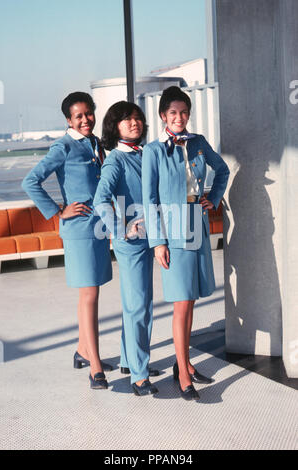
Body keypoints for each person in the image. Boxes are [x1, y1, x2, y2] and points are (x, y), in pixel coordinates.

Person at [142, 86, 230, 401]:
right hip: (172, 235)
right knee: (180, 305)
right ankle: (182, 373)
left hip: (197, 230)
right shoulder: (153, 151)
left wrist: (214, 198)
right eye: (173, 112)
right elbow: (149, 199)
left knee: (190, 301)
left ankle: (187, 363)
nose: (179, 117)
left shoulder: (199, 143)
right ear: (163, 116)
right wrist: (158, 242)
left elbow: (223, 170)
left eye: (183, 112)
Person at [22, 92, 112, 390]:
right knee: (89, 294)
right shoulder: (63, 146)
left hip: (98, 226)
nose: (86, 119)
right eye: (79, 116)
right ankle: (95, 366)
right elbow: (31, 181)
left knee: (91, 293)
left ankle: (83, 351)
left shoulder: (95, 143)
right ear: (68, 120)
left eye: (89, 113)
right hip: (79, 229)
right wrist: (59, 211)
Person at [93, 101, 159, 396]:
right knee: (139, 306)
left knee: (138, 304)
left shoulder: (145, 154)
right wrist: (121, 230)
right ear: (114, 126)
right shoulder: (115, 160)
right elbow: (100, 200)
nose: (134, 123)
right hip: (131, 243)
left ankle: (128, 361)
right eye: (126, 120)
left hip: (151, 237)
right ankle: (139, 375)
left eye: (137, 118)